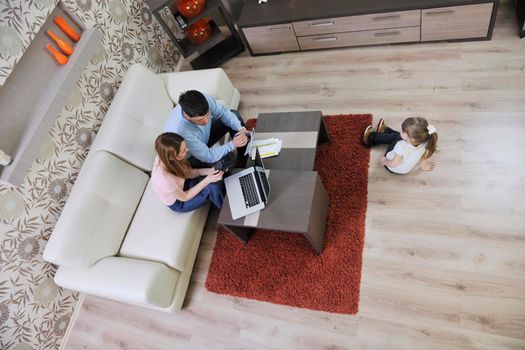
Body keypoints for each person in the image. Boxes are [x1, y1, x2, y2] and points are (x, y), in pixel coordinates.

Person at [163, 90, 250, 168]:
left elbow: (223, 112)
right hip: (193, 153)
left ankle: (246, 156)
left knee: (235, 115)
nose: (206, 121)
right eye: (200, 119)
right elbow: (208, 156)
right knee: (223, 161)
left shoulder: (205, 100)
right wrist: (232, 144)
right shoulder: (181, 131)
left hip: (203, 138)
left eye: (208, 114)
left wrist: (240, 128)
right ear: (187, 116)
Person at [152, 132, 225, 212]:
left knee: (212, 169)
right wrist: (207, 180)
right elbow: (185, 197)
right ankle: (227, 214)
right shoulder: (163, 180)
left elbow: (188, 173)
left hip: (182, 184)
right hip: (180, 201)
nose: (187, 150)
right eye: (183, 151)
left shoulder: (165, 155)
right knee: (212, 188)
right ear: (172, 157)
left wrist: (209, 171)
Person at [363, 117, 438, 174]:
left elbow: (394, 163)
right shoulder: (427, 139)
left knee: (397, 137)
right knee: (399, 136)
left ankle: (370, 138)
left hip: (392, 167)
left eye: (403, 131)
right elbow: (424, 156)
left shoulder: (401, 145)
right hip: (405, 170)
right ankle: (385, 131)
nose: (401, 131)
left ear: (413, 139)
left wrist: (384, 161)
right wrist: (423, 167)